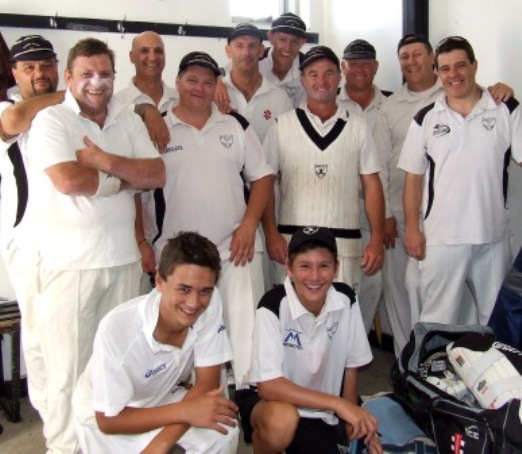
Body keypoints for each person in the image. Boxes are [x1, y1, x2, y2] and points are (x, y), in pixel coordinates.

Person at [26, 37, 165, 452]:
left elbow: (157, 174)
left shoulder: (127, 120)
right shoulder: (52, 121)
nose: (96, 82)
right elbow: (68, 181)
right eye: (86, 74)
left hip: (123, 262)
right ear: (68, 78)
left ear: (114, 77)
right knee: (67, 374)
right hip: (70, 267)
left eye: (104, 74)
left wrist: (104, 161)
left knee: (114, 369)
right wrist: (124, 179)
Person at [145, 51, 274, 388]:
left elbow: (262, 178)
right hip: (177, 254)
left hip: (236, 247)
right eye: (192, 80)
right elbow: (137, 190)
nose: (199, 88)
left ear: (217, 85)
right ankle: (188, 398)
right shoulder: (156, 126)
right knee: (184, 330)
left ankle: (247, 396)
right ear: (177, 82)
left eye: (207, 81)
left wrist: (249, 226)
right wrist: (142, 241)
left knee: (245, 330)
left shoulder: (235, 123)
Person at [380, 33, 513, 356]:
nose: (454, 74)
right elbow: (413, 178)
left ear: (474, 66)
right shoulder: (426, 118)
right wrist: (413, 228)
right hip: (442, 238)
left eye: (460, 66)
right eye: (445, 68)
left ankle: (494, 399)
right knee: (437, 322)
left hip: (492, 237)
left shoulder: (504, 108)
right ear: (438, 73)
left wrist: (507, 92)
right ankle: (426, 394)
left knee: (496, 324)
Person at [73, 231, 239, 454]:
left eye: (205, 291)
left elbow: (206, 384)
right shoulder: (117, 328)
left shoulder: (211, 301)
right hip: (110, 415)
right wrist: (184, 413)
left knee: (224, 427)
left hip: (166, 398)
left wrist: (160, 444)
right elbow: (108, 419)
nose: (194, 303)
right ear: (160, 280)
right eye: (184, 289)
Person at [235, 226, 382, 454]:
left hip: (322, 407)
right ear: (289, 269)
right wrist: (338, 404)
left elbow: (351, 365)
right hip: (271, 403)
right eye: (305, 266)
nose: (314, 276)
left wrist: (352, 419)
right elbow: (268, 386)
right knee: (281, 422)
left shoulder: (346, 299)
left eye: (324, 266)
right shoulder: (273, 305)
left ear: (336, 268)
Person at [263, 45, 385, 293]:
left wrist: (376, 238)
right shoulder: (282, 125)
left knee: (341, 322)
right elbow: (264, 184)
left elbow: (372, 185)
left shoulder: (358, 126)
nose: (322, 81)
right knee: (292, 322)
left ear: (339, 77)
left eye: (329, 73)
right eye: (314, 74)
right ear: (303, 79)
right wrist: (271, 233)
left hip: (344, 245)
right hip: (292, 243)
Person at [0, 34, 63, 429]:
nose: (39, 74)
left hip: (70, 240)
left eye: (45, 65)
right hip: (29, 242)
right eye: (29, 68)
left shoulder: (67, 109)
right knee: (39, 335)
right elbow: (12, 123)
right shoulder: (8, 105)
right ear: (14, 72)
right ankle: (52, 423)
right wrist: (72, 93)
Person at [337, 39, 392, 333]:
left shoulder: (391, 104)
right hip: (338, 210)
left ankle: (356, 345)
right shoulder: (327, 101)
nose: (359, 69)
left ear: (376, 67)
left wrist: (388, 215)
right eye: (352, 63)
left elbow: (394, 165)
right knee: (338, 283)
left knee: (373, 282)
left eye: (365, 63)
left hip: (377, 210)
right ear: (343, 67)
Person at [116, 31, 178, 284]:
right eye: (144, 51)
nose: (152, 57)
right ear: (131, 56)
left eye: (158, 50)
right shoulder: (116, 104)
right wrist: (140, 239)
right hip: (134, 220)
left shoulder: (181, 98)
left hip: (176, 211)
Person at [222, 22, 292, 141]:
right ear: (228, 51)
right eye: (239, 46)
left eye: (252, 46)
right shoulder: (214, 94)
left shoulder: (280, 98)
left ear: (261, 51)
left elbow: (287, 145)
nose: (246, 53)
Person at [260, 12, 308, 107]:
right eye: (282, 40)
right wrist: (220, 80)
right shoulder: (255, 60)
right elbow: (227, 74)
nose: (288, 48)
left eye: (294, 41)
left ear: (302, 42)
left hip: (292, 120)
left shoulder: (308, 67)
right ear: (270, 37)